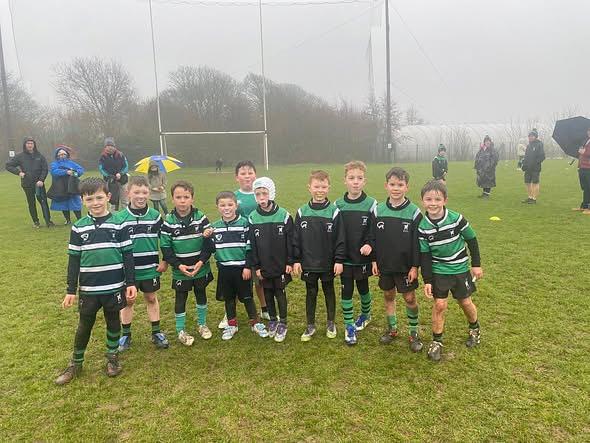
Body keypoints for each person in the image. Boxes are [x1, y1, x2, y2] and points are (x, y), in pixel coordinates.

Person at [54, 177, 136, 385]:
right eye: (89, 199)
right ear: (82, 200)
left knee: (113, 320)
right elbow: (73, 260)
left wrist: (131, 283)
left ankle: (112, 358)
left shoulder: (120, 223)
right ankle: (76, 363)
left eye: (99, 197)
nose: (95, 202)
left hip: (114, 286)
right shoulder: (78, 227)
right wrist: (71, 290)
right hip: (89, 288)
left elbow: (128, 255)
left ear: (108, 196)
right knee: (85, 324)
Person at [418, 180, 483, 362]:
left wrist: (476, 264)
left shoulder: (456, 219)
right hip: (439, 271)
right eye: (428, 199)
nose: (433, 203)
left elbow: (472, 240)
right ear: (422, 201)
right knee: (440, 305)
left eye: (437, 199)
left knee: (465, 302)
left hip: (460, 269)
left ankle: (474, 328)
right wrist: (427, 280)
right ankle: (437, 342)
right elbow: (425, 256)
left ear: (445, 200)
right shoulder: (423, 227)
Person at [369, 167, 423, 352]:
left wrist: (415, 266)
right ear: (386, 186)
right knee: (388, 295)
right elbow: (372, 237)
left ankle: (413, 332)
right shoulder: (378, 210)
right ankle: (392, 329)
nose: (396, 188)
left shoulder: (414, 212)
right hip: (385, 264)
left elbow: (417, 243)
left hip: (405, 266)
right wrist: (374, 260)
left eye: (400, 185)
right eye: (392, 184)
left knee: (409, 298)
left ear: (407, 187)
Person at [117, 176, 169, 352]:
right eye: (136, 192)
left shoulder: (155, 216)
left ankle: (156, 332)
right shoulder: (120, 218)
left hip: (150, 268)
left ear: (149, 193)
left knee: (151, 298)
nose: (141, 196)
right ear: (128, 193)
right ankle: (126, 335)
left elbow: (166, 240)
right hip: (128, 270)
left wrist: (165, 261)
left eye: (144, 192)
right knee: (128, 301)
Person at [208, 191, 269, 340]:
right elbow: (210, 248)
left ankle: (255, 323)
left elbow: (250, 248)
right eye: (222, 205)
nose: (226, 208)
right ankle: (232, 325)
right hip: (224, 270)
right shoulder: (214, 227)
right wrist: (206, 236)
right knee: (229, 299)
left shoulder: (244, 224)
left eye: (230, 204)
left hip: (242, 269)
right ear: (217, 207)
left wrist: (247, 267)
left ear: (236, 206)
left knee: (247, 297)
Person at [293, 170, 345, 341]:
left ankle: (331, 323)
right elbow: (296, 238)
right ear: (309, 187)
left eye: (323, 187)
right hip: (308, 262)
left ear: (328, 188)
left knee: (329, 290)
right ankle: (310, 325)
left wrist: (339, 260)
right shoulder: (302, 212)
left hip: (327, 262)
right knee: (311, 292)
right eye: (316, 187)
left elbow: (340, 238)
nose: (320, 190)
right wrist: (296, 260)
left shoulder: (334, 212)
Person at [160, 180, 214, 345]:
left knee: (201, 294)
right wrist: (178, 265)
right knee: (180, 298)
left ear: (192, 198)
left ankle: (202, 324)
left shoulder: (200, 217)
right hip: (180, 270)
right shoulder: (168, 221)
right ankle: (180, 330)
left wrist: (201, 261)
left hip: (200, 268)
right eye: (178, 197)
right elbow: (166, 248)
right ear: (172, 199)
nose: (182, 201)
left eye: (186, 197)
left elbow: (209, 244)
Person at [334, 161, 376, 346]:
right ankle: (349, 325)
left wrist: (369, 244)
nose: (355, 182)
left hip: (362, 258)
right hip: (345, 258)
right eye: (351, 178)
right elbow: (335, 233)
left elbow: (374, 230)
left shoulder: (371, 204)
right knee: (347, 290)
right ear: (345, 181)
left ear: (364, 181)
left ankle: (366, 315)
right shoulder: (338, 205)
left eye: (359, 178)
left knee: (363, 287)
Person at [249, 177, 294, 342]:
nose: (261, 197)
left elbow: (291, 241)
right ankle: (273, 320)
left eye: (264, 193)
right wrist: (256, 266)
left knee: (280, 293)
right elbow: (252, 245)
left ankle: (283, 323)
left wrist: (289, 262)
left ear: (271, 193)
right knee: (267, 293)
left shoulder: (284, 215)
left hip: (281, 265)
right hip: (264, 266)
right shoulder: (253, 217)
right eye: (258, 194)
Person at [231, 160, 269, 322]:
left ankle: (265, 309)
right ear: (237, 177)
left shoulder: (261, 194)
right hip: (239, 245)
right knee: (236, 280)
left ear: (255, 175)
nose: (247, 176)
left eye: (250, 173)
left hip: (259, 245)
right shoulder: (233, 197)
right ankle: (230, 313)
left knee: (260, 280)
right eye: (243, 173)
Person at [5, 136, 53, 228]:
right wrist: (19, 172)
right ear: (25, 145)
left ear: (34, 145)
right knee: (31, 203)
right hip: (27, 184)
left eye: (31, 143)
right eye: (28, 143)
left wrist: (41, 180)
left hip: (39, 184)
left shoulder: (39, 156)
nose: (30, 145)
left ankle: (48, 221)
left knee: (43, 202)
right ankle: (36, 222)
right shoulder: (20, 156)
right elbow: (8, 165)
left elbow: (45, 169)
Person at [48, 146, 84, 224]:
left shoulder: (72, 163)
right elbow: (54, 172)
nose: (62, 156)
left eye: (64, 154)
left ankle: (79, 219)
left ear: (67, 154)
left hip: (72, 186)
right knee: (63, 204)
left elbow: (81, 170)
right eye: (60, 154)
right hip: (61, 187)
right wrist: (66, 172)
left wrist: (75, 173)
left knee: (75, 203)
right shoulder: (54, 164)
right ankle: (68, 220)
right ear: (57, 156)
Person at [98, 137, 129, 211]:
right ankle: (113, 215)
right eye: (108, 146)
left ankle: (126, 214)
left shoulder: (121, 155)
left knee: (125, 200)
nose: (110, 148)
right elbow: (101, 169)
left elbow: (126, 166)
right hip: (110, 182)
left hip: (122, 181)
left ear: (114, 146)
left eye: (111, 146)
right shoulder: (102, 157)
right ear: (105, 147)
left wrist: (120, 173)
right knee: (112, 201)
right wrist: (109, 176)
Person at [522, 128, 545, 204]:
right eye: (529, 136)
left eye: (532, 136)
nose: (530, 137)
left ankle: (534, 199)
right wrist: (524, 164)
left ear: (535, 136)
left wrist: (535, 163)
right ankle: (530, 197)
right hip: (528, 168)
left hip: (535, 168)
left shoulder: (539, 144)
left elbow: (542, 156)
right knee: (527, 182)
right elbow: (526, 156)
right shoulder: (529, 145)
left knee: (535, 183)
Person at [574, 127, 590, 214]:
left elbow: (586, 153)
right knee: (585, 187)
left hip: (588, 168)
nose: (589, 132)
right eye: (588, 130)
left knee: (589, 187)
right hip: (582, 167)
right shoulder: (586, 141)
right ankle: (584, 205)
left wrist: (585, 152)